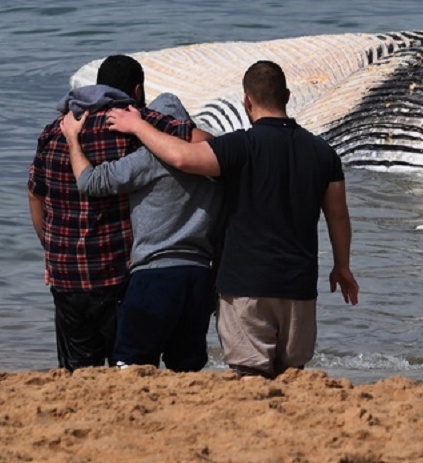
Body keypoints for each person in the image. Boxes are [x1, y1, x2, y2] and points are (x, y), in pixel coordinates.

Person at [106, 60, 358, 378]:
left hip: (245, 285)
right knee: (293, 375)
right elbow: (338, 215)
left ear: (247, 100)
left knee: (248, 376)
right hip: (299, 285)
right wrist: (342, 266)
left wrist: (138, 126)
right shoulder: (322, 153)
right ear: (288, 96)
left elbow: (182, 156)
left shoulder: (240, 146)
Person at [27, 54, 202, 371]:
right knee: (127, 365)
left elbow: (35, 195)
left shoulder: (53, 133)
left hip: (65, 273)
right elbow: (198, 144)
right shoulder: (135, 125)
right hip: (116, 272)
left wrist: (49, 248)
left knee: (79, 372)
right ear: (137, 91)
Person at [59, 93, 221, 372]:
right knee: (187, 367)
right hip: (199, 276)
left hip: (154, 274)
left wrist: (73, 139)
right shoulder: (210, 164)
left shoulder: (148, 159)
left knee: (130, 362)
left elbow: (91, 181)